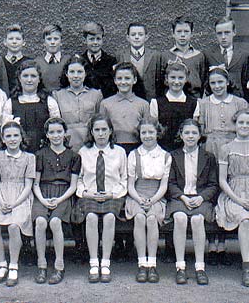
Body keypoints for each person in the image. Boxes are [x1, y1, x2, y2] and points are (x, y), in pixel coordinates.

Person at [195, 66, 248, 266]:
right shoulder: (204, 103)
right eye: (213, 83)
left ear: (227, 82)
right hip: (211, 146)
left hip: (232, 147)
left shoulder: (239, 102)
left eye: (220, 82)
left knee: (228, 187)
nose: (217, 86)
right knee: (213, 188)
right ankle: (211, 243)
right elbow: (198, 129)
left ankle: (223, 242)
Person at [214, 108, 249, 287]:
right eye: (241, 122)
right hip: (233, 194)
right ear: (235, 125)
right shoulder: (226, 148)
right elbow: (222, 180)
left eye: (248, 123)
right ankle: (246, 267)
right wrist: (238, 199)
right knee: (245, 221)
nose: (244, 126)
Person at [166, 119, 218, 285]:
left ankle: (199, 267)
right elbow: (170, 183)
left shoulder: (208, 157)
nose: (190, 136)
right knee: (180, 218)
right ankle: (180, 266)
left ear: (199, 135)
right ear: (181, 135)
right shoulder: (173, 156)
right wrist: (182, 197)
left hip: (200, 197)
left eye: (194, 133)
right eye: (187, 133)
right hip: (179, 197)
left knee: (197, 220)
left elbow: (213, 184)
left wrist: (201, 197)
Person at [76, 114, 127, 283]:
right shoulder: (84, 152)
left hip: (112, 194)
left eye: (104, 129)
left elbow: (124, 178)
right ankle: (93, 263)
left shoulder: (119, 152)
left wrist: (113, 193)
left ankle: (105, 262)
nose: (101, 133)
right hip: (90, 194)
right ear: (91, 132)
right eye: (96, 130)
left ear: (110, 131)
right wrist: (85, 193)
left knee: (110, 217)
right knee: (90, 217)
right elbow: (79, 178)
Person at [32, 118, 80, 285]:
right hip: (43, 193)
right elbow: (35, 183)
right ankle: (42, 265)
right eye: (51, 132)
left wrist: (59, 199)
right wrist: (43, 201)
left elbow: (73, 185)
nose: (56, 135)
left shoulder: (74, 156)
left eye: (59, 131)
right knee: (40, 222)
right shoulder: (40, 155)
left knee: (55, 222)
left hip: (63, 194)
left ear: (65, 133)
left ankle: (59, 265)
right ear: (46, 134)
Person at [0, 121, 36, 287]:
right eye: (8, 136)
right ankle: (2, 265)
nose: (12, 139)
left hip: (20, 198)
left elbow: (28, 185)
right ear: (2, 138)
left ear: (21, 137)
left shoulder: (29, 158)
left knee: (14, 226)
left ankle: (14, 265)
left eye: (16, 135)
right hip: (1, 197)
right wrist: (2, 201)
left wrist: (14, 203)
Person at [125, 117, 170, 283]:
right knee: (139, 218)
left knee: (151, 219)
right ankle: (141, 263)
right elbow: (130, 185)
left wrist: (152, 200)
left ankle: (152, 264)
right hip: (136, 195)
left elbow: (164, 185)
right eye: (144, 132)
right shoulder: (134, 155)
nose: (147, 136)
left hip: (156, 196)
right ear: (140, 134)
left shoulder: (165, 156)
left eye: (151, 132)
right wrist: (139, 199)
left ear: (157, 133)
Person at [3, 59, 61, 153]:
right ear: (19, 78)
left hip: (44, 152)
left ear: (39, 79)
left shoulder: (49, 102)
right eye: (25, 76)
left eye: (33, 76)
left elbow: (57, 128)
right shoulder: (10, 103)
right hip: (19, 152)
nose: (29, 80)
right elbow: (7, 131)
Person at [52, 56, 103, 153]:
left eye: (80, 72)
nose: (76, 76)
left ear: (86, 73)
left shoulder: (96, 95)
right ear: (66, 74)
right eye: (72, 72)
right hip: (67, 144)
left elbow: (99, 121)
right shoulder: (57, 95)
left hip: (90, 144)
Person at [100, 62, 150, 154]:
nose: (123, 82)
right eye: (119, 78)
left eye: (127, 78)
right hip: (112, 148)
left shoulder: (143, 104)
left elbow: (147, 129)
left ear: (134, 80)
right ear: (114, 80)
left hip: (136, 148)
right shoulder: (105, 104)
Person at [150, 61, 198, 151]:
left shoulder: (194, 103)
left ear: (186, 78)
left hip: (186, 150)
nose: (176, 82)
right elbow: (155, 130)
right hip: (163, 150)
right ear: (166, 78)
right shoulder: (156, 103)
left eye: (180, 78)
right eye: (173, 77)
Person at [161, 16, 207, 99]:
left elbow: (203, 80)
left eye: (186, 31)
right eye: (179, 31)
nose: (182, 35)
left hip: (194, 99)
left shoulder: (199, 56)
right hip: (171, 99)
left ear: (191, 33)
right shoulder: (165, 56)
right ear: (173, 33)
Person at [116, 23, 163, 101]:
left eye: (140, 34)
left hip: (150, 98)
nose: (136, 37)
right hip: (127, 98)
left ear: (146, 37)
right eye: (133, 34)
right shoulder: (120, 55)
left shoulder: (155, 56)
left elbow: (159, 80)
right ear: (128, 37)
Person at [204, 16, 247, 97]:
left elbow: (245, 82)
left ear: (234, 32)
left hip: (237, 100)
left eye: (227, 33)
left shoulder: (244, 55)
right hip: (215, 100)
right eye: (219, 33)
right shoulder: (208, 54)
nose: (223, 37)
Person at [75, 22, 118, 98]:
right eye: (91, 39)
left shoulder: (111, 61)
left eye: (98, 39)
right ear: (85, 40)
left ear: (102, 40)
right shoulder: (79, 61)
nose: (95, 42)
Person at [35, 24, 71, 93]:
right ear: (44, 42)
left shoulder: (68, 61)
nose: (52, 42)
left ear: (61, 42)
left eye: (56, 39)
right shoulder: (37, 62)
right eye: (49, 39)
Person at [2, 24, 29, 94]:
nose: (14, 42)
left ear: (24, 42)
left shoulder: (29, 62)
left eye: (18, 39)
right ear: (5, 42)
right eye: (11, 39)